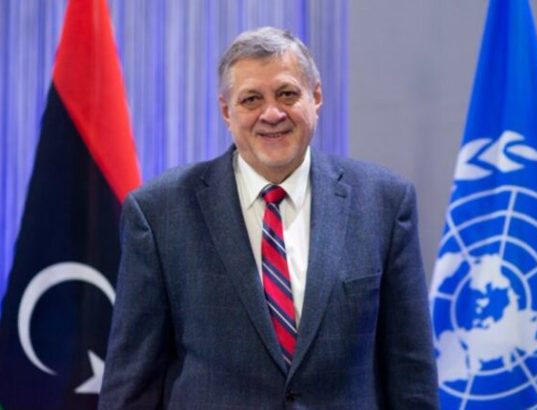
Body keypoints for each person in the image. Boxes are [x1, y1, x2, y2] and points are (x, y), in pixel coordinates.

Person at [99, 26, 439, 409]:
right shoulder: (160, 213)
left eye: (287, 94)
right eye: (251, 99)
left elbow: (412, 376)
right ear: (227, 112)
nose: (272, 114)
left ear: (316, 97)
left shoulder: (384, 203)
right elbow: (132, 382)